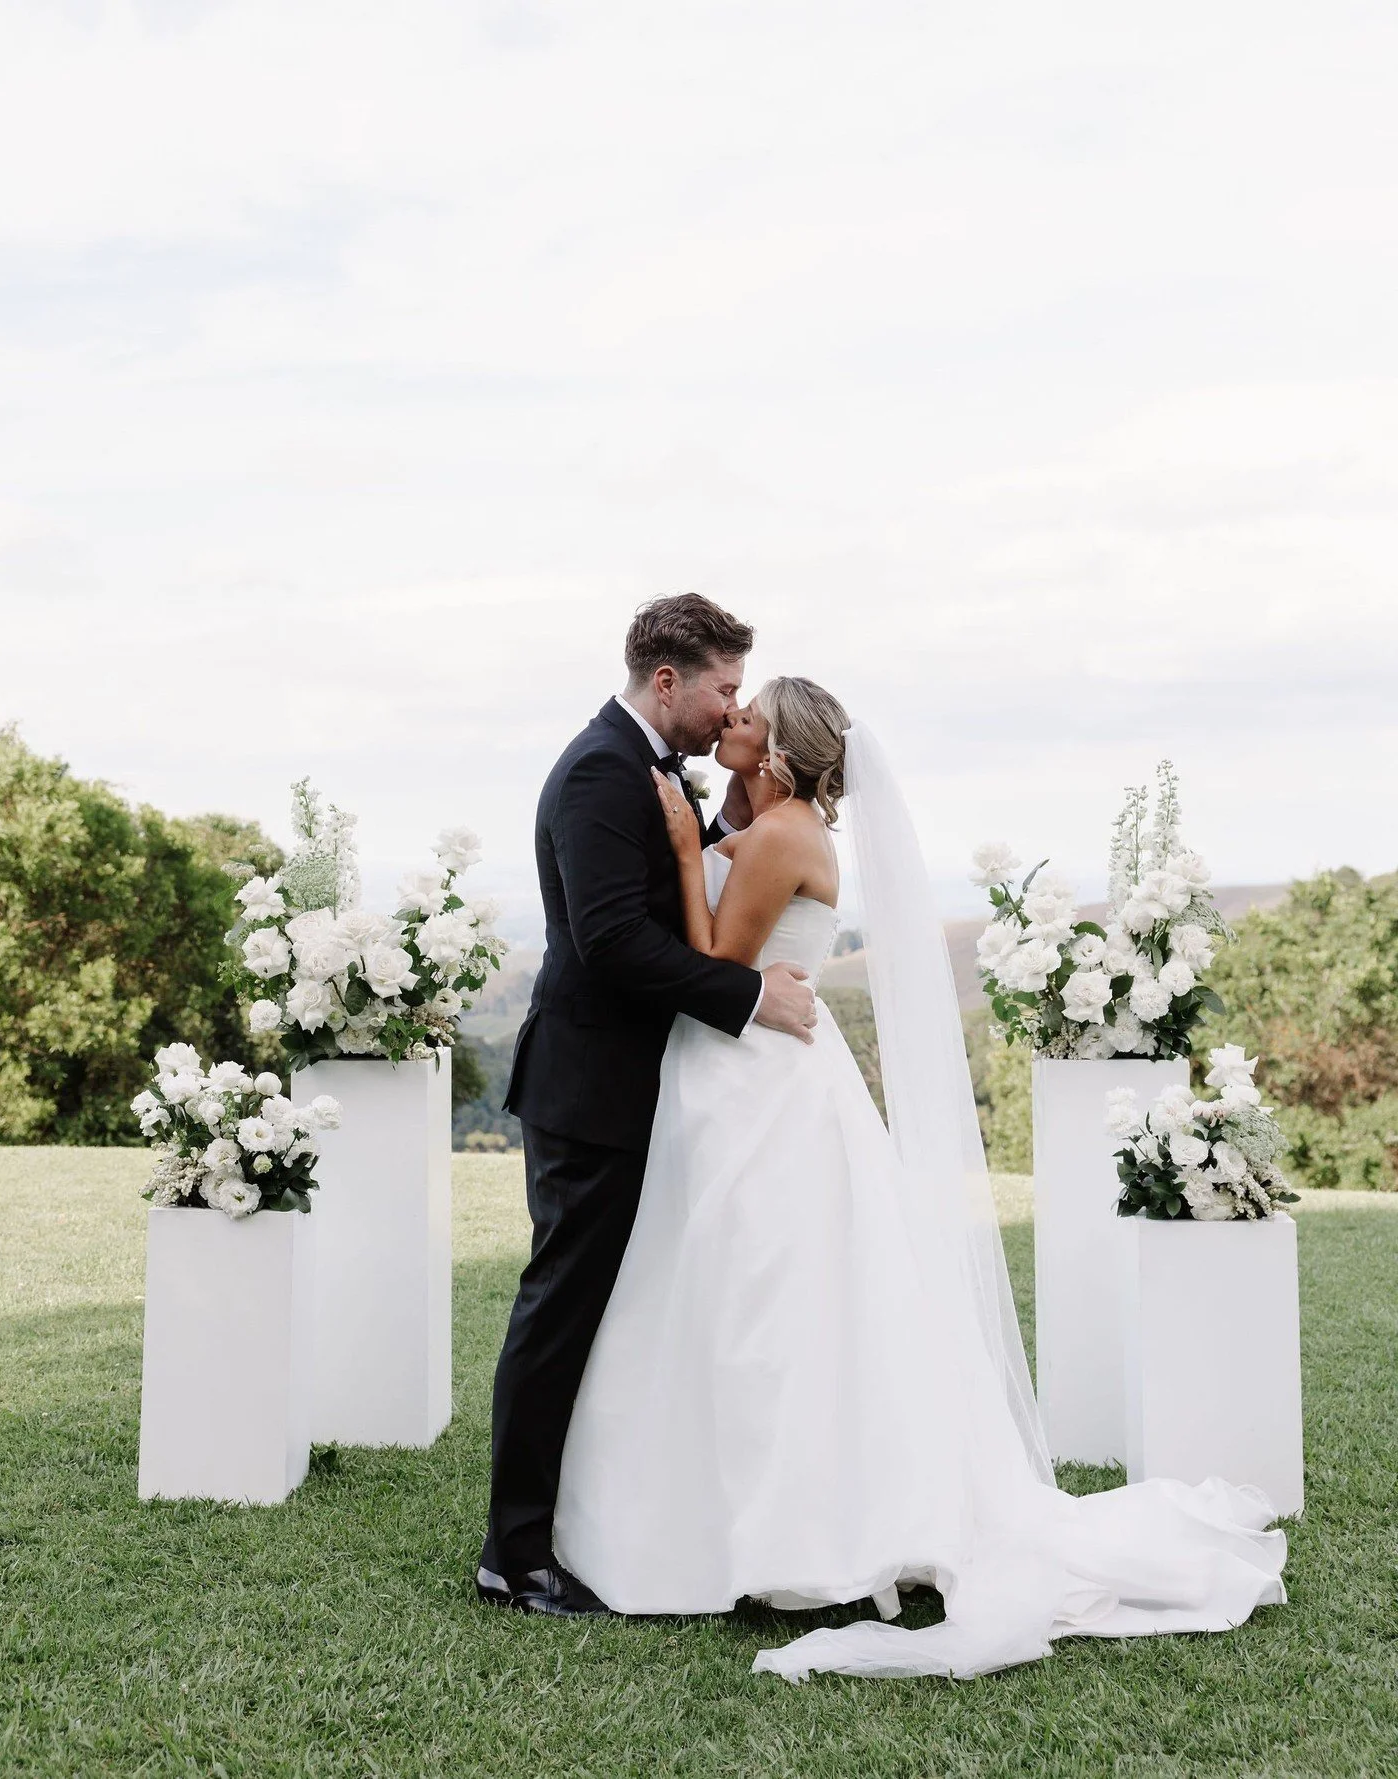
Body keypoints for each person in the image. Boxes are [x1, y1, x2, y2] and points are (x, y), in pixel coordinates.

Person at [551, 676, 1288, 1680]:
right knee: (727, 1297)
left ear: (780, 752)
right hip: (730, 1080)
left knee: (768, 1305)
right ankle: (715, 1513)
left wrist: (686, 852)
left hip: (760, 1088)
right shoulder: (773, 820)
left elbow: (714, 954)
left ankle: (784, 1535)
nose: (731, 719)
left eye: (748, 715)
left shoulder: (786, 836)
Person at [478, 595, 818, 1616]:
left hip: (643, 1087)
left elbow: (687, 901)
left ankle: (598, 1520)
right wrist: (753, 997)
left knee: (617, 1314)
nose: (729, 711)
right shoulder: (599, 771)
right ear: (665, 681)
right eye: (721, 688)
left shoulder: (653, 768)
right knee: (560, 1311)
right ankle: (514, 1555)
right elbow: (613, 941)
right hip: (590, 1089)